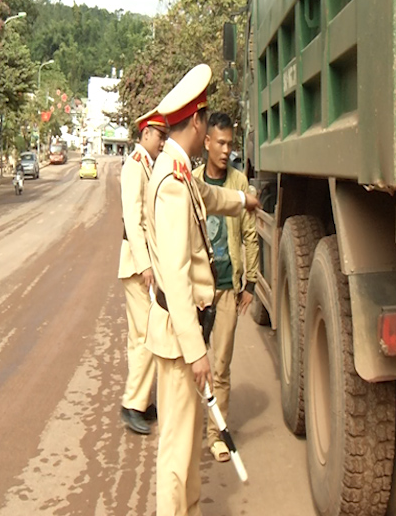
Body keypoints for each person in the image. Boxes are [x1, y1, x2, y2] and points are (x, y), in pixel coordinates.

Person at [144, 63, 260, 516]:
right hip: (179, 338)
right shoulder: (172, 181)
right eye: (206, 120)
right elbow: (174, 274)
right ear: (196, 122)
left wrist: (243, 200)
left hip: (184, 333)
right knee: (176, 452)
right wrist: (196, 351)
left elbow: (210, 198)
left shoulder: (180, 170)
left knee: (189, 444)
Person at [192, 112, 258, 462]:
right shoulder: (192, 181)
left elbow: (250, 235)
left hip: (229, 289)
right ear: (206, 142)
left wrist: (250, 283)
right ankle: (190, 425)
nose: (225, 149)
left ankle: (216, 434)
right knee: (193, 361)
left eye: (230, 144)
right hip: (199, 290)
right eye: (219, 142)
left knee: (221, 365)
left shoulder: (239, 182)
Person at [117, 108, 167, 435]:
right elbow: (132, 221)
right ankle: (133, 405)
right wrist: (147, 264)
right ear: (145, 132)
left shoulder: (147, 165)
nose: (163, 142)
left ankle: (140, 402)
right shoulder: (135, 166)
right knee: (149, 335)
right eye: (160, 135)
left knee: (140, 336)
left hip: (142, 263)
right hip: (138, 265)